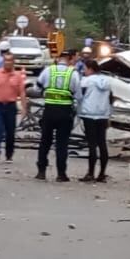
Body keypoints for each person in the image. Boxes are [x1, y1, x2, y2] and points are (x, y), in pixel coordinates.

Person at [35, 49, 80, 182]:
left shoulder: (48, 70)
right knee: (62, 144)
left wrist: (46, 93)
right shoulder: (73, 73)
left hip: (49, 111)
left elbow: (38, 87)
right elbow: (78, 95)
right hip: (65, 112)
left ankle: (41, 172)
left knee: (45, 142)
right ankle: (61, 174)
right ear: (69, 59)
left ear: (58, 58)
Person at [0, 50, 27, 164]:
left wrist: (24, 108)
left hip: (10, 106)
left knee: (10, 132)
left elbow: (22, 93)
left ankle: (9, 155)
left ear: (13, 62)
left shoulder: (18, 76)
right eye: (6, 60)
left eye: (10, 60)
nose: (7, 63)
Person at [78, 62, 112, 182]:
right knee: (102, 144)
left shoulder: (86, 81)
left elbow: (79, 96)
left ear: (91, 69)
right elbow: (110, 99)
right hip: (103, 115)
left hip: (89, 114)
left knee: (92, 144)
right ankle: (102, 173)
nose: (84, 71)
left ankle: (90, 173)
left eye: (85, 69)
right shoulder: (107, 81)